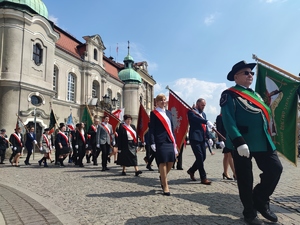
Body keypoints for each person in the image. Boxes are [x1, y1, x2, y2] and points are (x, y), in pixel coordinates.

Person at [220, 60, 283, 225]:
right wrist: (238, 141)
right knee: (245, 178)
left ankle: (260, 199)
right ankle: (249, 212)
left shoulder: (255, 95)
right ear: (236, 77)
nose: (250, 75)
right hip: (243, 142)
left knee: (275, 169)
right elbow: (228, 119)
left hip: (262, 140)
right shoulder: (229, 94)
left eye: (252, 73)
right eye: (246, 73)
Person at [149, 94, 177, 196]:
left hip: (169, 140)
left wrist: (175, 142)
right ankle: (165, 186)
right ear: (157, 102)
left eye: (164, 100)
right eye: (161, 100)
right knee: (163, 162)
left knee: (171, 161)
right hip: (160, 141)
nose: (163, 102)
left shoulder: (169, 113)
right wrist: (152, 142)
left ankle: (162, 176)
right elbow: (151, 128)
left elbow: (172, 128)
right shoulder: (154, 113)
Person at [187, 98, 214, 185]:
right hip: (194, 137)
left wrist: (209, 137)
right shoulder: (192, 112)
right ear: (197, 104)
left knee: (203, 157)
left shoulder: (204, 114)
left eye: (204, 105)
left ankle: (191, 170)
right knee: (199, 157)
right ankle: (203, 178)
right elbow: (195, 119)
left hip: (202, 138)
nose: (203, 107)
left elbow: (205, 128)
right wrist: (206, 121)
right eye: (202, 105)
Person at [216, 113, 236, 180]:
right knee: (230, 155)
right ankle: (235, 173)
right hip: (224, 138)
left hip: (230, 137)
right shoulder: (219, 117)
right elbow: (219, 129)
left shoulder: (230, 116)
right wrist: (220, 140)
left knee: (226, 156)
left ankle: (225, 172)